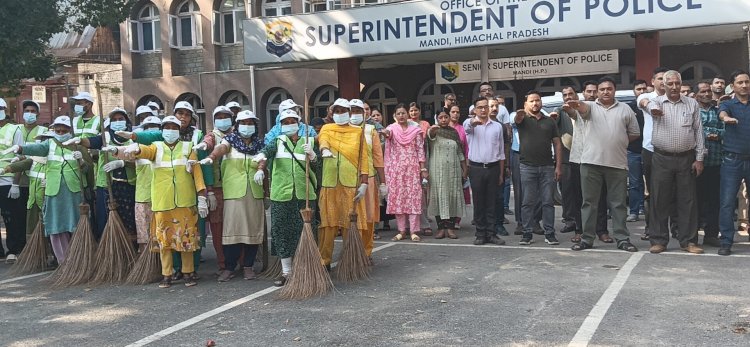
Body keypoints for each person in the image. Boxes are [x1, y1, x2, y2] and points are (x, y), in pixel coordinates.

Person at [123, 115, 208, 287]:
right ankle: (167, 274)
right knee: (165, 241)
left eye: (174, 128)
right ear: (162, 131)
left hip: (185, 201)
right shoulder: (156, 147)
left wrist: (202, 196)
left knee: (186, 239)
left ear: (179, 130)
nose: (170, 131)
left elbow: (197, 173)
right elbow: (145, 152)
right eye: (167, 128)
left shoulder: (188, 147)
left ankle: (188, 272)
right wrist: (136, 148)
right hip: (163, 202)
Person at [567, 77, 640, 252]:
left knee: (618, 204)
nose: (605, 92)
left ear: (615, 90)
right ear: (597, 92)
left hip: (617, 163)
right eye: (602, 89)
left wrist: (617, 142)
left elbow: (634, 133)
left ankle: (622, 238)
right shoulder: (589, 106)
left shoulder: (626, 109)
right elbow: (581, 109)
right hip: (590, 162)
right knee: (589, 203)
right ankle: (587, 239)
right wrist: (575, 104)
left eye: (609, 89)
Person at [6, 116, 92, 264]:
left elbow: (87, 170)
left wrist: (82, 161)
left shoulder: (78, 146)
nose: (60, 132)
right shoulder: (49, 144)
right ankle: (63, 261)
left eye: (63, 130)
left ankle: (79, 259)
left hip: (74, 192)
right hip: (54, 191)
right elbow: (36, 148)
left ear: (69, 130)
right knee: (56, 226)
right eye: (57, 130)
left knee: (76, 225)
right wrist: (20, 148)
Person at [198, 110, 265, 282]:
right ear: (237, 125)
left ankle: (248, 267)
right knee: (232, 232)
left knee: (252, 231)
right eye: (244, 123)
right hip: (234, 193)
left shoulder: (258, 144)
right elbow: (221, 148)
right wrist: (211, 157)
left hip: (254, 193)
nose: (247, 126)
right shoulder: (230, 141)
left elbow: (263, 159)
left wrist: (261, 170)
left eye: (250, 123)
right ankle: (229, 267)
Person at [257, 109, 319, 286]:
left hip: (304, 194)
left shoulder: (309, 141)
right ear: (280, 125)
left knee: (306, 232)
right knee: (282, 231)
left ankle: (306, 270)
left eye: (292, 121)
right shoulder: (278, 141)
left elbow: (318, 168)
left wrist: (313, 156)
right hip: (282, 195)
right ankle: (286, 272)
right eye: (285, 122)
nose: (289, 124)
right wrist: (261, 159)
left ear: (298, 124)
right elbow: (267, 151)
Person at [647, 70, 705, 254]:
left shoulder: (692, 103)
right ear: (663, 85)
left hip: (686, 159)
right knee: (659, 200)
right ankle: (658, 240)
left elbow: (699, 132)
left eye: (677, 83)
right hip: (661, 158)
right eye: (669, 83)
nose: (673, 87)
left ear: (681, 84)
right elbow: (643, 102)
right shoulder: (656, 102)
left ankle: (689, 241)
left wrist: (699, 158)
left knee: (687, 201)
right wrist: (650, 107)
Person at [66, 108, 137, 240]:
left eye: (120, 119)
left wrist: (122, 163)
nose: (117, 122)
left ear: (126, 121)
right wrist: (80, 140)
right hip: (106, 185)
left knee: (128, 218)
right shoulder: (105, 138)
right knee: (105, 218)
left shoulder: (133, 139)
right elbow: (91, 141)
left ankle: (129, 249)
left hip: (128, 185)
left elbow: (139, 161)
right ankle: (108, 247)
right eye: (114, 120)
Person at [317, 98, 369, 269]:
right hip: (330, 182)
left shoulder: (357, 131)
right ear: (332, 113)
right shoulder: (326, 128)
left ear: (349, 112)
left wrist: (364, 183)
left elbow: (363, 158)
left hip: (350, 182)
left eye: (343, 111)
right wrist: (324, 150)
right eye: (337, 111)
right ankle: (325, 260)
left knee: (351, 223)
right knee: (328, 224)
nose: (340, 114)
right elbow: (323, 140)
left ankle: (351, 258)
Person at [191, 106, 235, 274]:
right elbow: (208, 141)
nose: (223, 119)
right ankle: (223, 263)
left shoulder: (237, 135)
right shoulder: (212, 135)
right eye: (219, 117)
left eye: (226, 117)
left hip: (235, 188)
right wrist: (209, 191)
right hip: (217, 189)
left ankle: (239, 260)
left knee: (235, 226)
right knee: (218, 229)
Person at [514, 91, 561, 246]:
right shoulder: (523, 119)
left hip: (547, 167)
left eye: (538, 100)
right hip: (527, 167)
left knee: (548, 202)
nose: (535, 103)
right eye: (532, 101)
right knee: (527, 202)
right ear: (526, 104)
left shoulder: (550, 121)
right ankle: (527, 233)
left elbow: (557, 144)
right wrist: (520, 114)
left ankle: (550, 233)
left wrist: (558, 166)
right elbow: (517, 119)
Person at [113, 115, 161, 251]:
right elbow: (126, 153)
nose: (150, 133)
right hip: (142, 196)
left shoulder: (163, 148)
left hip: (160, 197)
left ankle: (162, 264)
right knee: (144, 234)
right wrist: (115, 150)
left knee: (160, 233)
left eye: (154, 129)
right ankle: (148, 262)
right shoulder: (136, 148)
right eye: (146, 129)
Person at [463, 97, 506, 245]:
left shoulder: (497, 127)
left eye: (485, 107)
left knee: (492, 202)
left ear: (489, 109)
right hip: (476, 168)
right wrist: (473, 122)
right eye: (479, 107)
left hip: (493, 168)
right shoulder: (470, 124)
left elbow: (501, 152)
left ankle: (492, 233)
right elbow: (467, 127)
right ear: (474, 110)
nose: (482, 110)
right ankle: (480, 233)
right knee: (479, 202)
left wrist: (501, 173)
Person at [717, 70, 750, 256]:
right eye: (740, 82)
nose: (744, 85)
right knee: (727, 203)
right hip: (732, 160)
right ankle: (726, 242)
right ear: (733, 86)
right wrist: (726, 119)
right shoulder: (727, 104)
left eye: (747, 82)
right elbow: (722, 113)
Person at [384, 103, 427, 242]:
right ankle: (401, 230)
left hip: (412, 169)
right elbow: (388, 135)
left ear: (407, 114)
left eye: (403, 113)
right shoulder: (391, 129)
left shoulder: (416, 130)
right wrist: (385, 134)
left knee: (413, 198)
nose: (401, 115)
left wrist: (423, 168)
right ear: (395, 116)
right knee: (399, 199)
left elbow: (420, 150)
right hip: (396, 171)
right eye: (398, 114)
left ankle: (414, 231)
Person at [637, 67, 671, 241]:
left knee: (672, 192)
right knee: (651, 193)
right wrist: (652, 108)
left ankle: (675, 229)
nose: (662, 81)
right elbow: (643, 102)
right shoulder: (646, 97)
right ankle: (651, 228)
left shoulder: (677, 99)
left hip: (672, 153)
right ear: (653, 81)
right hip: (651, 151)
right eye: (659, 78)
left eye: (666, 78)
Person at [350, 99, 386, 257]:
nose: (355, 115)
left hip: (369, 179)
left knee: (369, 216)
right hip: (348, 179)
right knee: (351, 217)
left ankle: (366, 252)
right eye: (352, 111)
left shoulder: (371, 130)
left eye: (359, 111)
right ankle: (351, 251)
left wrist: (383, 182)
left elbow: (378, 157)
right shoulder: (342, 129)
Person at [427, 111, 466, 239]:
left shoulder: (454, 133)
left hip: (453, 170)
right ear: (436, 118)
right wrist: (432, 129)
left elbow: (460, 152)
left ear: (449, 118)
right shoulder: (433, 131)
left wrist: (464, 169)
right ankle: (440, 228)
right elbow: (430, 135)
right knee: (439, 197)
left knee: (452, 197)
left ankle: (450, 228)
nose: (443, 119)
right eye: (440, 117)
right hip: (437, 171)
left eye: (445, 117)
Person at [693, 82, 723, 247]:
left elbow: (725, 129)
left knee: (714, 200)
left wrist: (714, 134)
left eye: (708, 91)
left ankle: (711, 235)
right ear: (696, 94)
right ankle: (693, 236)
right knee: (695, 200)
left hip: (715, 162)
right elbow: (692, 131)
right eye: (703, 91)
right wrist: (706, 133)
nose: (707, 94)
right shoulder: (692, 111)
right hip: (697, 163)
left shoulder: (718, 111)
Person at [0, 97, 27, 263]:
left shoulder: (14, 130)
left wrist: (16, 184)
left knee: (11, 216)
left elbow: (21, 157)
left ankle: (14, 249)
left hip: (8, 180)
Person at [18, 100, 47, 243]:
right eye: (27, 111)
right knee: (21, 214)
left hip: (35, 179)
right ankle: (23, 245)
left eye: (33, 111)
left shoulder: (43, 132)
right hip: (18, 179)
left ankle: (38, 244)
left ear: (38, 114)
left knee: (36, 215)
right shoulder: (17, 129)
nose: (29, 114)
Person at [626, 80, 648, 222]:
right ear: (634, 91)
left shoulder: (653, 106)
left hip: (650, 150)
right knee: (634, 183)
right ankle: (634, 211)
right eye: (638, 89)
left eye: (644, 88)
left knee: (649, 183)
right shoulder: (629, 108)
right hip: (633, 151)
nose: (641, 91)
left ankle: (645, 209)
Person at [449, 104, 470, 229]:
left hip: (460, 163)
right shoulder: (442, 128)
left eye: (457, 112)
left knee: (459, 193)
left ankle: (457, 220)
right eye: (453, 112)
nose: (455, 114)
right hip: (446, 164)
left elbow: (466, 148)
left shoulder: (462, 129)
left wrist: (466, 168)